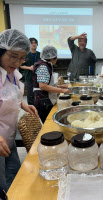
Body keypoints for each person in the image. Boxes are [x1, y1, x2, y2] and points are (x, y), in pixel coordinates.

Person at [0, 29, 38, 192]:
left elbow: (12, 95)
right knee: (2, 186)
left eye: (22, 58)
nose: (16, 62)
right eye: (13, 56)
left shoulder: (12, 73)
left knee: (15, 177)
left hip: (9, 137)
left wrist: (23, 105)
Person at [32, 45, 71, 123]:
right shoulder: (43, 66)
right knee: (48, 122)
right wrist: (61, 90)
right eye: (56, 57)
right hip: (42, 100)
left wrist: (60, 86)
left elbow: (46, 82)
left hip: (44, 98)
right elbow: (42, 86)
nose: (57, 59)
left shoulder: (45, 64)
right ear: (51, 57)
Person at [20, 38, 40, 105]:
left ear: (37, 44)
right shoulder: (26, 55)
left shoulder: (40, 54)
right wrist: (29, 68)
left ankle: (39, 108)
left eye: (35, 43)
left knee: (38, 93)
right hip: (29, 77)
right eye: (32, 43)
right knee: (30, 94)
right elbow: (21, 65)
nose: (34, 44)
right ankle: (31, 110)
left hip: (39, 78)